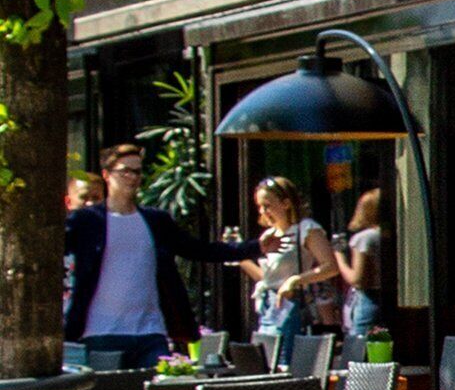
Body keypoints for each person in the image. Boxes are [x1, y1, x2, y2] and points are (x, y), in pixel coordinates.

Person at [64, 145, 232, 372]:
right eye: (125, 171)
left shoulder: (155, 220)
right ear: (107, 175)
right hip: (102, 333)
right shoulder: (87, 220)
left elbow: (199, 249)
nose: (132, 178)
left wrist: (256, 247)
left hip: (150, 333)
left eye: (137, 171)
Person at [240, 177, 344, 361]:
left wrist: (295, 280)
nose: (264, 212)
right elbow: (267, 278)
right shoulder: (269, 235)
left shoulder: (305, 229)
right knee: (266, 359)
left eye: (268, 205)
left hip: (290, 302)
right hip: (268, 304)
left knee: (282, 359)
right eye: (259, 207)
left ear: (286, 203)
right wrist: (240, 257)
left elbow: (331, 267)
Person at [341, 189, 389, 349]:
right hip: (388, 298)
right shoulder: (388, 235)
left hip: (368, 299)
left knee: (358, 348)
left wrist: (339, 257)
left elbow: (358, 279)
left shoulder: (364, 238)